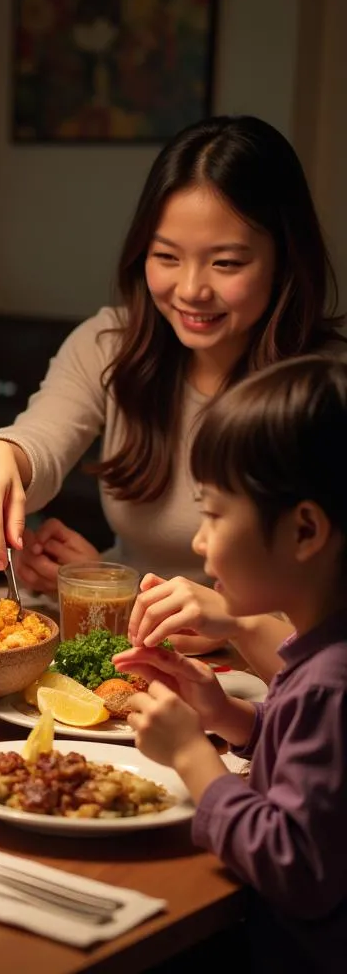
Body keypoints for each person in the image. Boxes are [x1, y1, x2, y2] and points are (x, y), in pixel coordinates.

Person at [0, 115, 343, 670]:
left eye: (226, 262)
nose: (190, 289)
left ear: (284, 258)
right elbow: (43, 437)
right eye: (166, 257)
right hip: (136, 659)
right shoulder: (111, 343)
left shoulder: (326, 385)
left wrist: (233, 621)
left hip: (267, 682)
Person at [115, 355, 347, 973]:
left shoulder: (330, 683)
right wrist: (230, 715)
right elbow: (321, 771)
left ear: (304, 531)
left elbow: (295, 864)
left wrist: (193, 756)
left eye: (214, 514)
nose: (198, 540)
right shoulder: (323, 654)